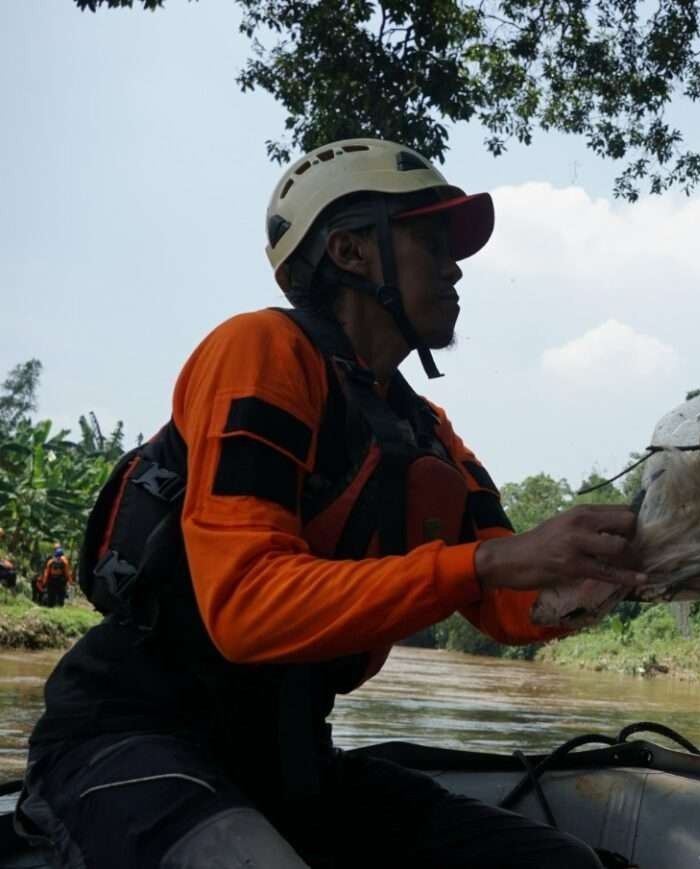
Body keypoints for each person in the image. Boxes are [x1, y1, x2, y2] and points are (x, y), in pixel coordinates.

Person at [17, 138, 649, 868]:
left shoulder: (427, 432)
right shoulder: (258, 349)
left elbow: (510, 605)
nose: (455, 265)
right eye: (430, 239)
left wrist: (640, 559)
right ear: (351, 251)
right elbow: (246, 606)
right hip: (128, 741)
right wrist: (488, 559)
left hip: (288, 761)